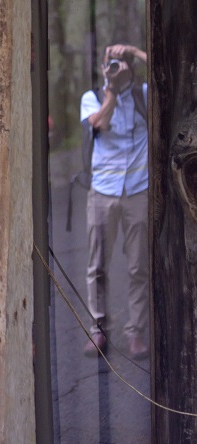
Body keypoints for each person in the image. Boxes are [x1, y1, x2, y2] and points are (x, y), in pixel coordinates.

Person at [80, 43, 149, 359]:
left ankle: (136, 332)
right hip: (103, 191)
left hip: (137, 189)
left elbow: (167, 75)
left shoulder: (143, 95)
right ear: (102, 68)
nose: (115, 68)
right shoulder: (92, 97)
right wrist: (111, 89)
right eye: (110, 63)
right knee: (97, 265)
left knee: (138, 266)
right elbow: (99, 124)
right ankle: (98, 329)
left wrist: (135, 52)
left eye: (120, 64)